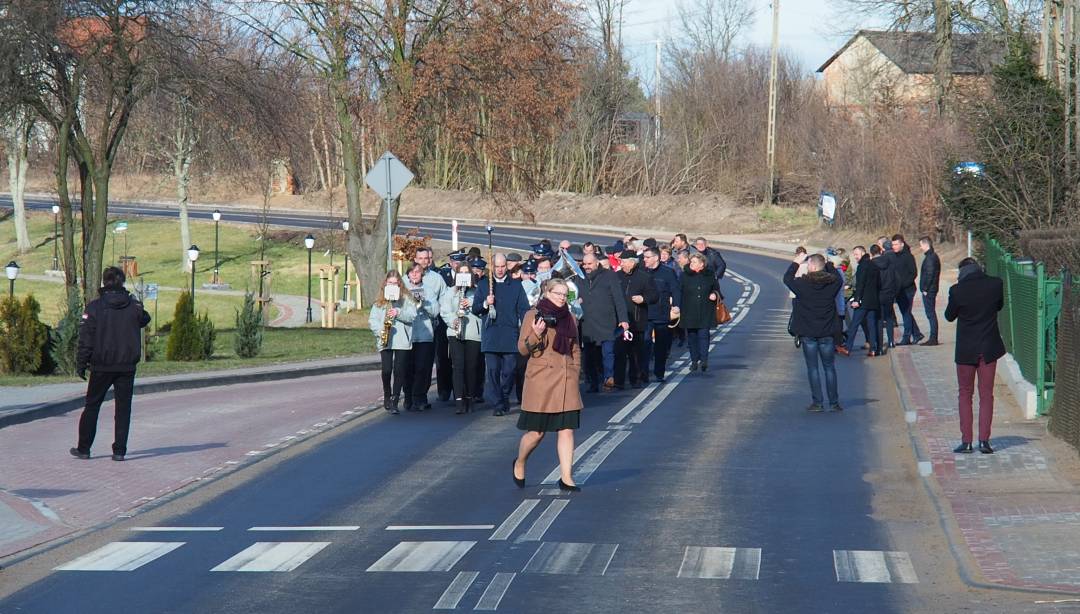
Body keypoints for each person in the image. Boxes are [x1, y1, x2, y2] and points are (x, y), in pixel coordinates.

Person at [70, 266, 151, 461]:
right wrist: (134, 303)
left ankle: (84, 448)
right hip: (126, 366)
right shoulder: (133, 306)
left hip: (101, 365)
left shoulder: (95, 307)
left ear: (104, 283)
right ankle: (119, 451)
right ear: (122, 282)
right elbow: (145, 318)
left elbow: (86, 339)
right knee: (123, 409)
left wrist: (81, 363)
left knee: (92, 406)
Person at [513, 278, 584, 492]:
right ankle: (520, 461)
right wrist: (536, 333)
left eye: (565, 295)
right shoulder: (533, 315)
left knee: (567, 430)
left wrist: (574, 369)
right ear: (547, 292)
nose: (562, 298)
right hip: (541, 382)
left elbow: (575, 349)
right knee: (536, 433)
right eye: (558, 294)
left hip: (565, 381)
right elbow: (523, 350)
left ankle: (566, 477)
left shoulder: (570, 317)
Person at [945, 257, 1006, 454]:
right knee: (986, 394)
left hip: (966, 349)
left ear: (962, 271)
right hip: (989, 347)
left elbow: (949, 315)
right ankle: (984, 441)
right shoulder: (995, 284)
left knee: (965, 393)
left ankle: (967, 441)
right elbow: (999, 306)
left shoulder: (957, 290)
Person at [472, 253, 531, 416]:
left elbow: (523, 309)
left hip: (510, 334)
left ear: (507, 266)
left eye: (502, 266)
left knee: (509, 371)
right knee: (492, 370)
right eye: (496, 266)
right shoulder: (484, 284)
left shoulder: (516, 285)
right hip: (491, 334)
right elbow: (475, 309)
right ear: (492, 266)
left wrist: (525, 329)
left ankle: (504, 396)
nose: (499, 269)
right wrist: (486, 303)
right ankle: (498, 403)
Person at [784, 253, 844, 412]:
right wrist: (829, 264)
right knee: (829, 367)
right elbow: (838, 278)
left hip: (808, 332)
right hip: (827, 331)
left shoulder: (802, 284)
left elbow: (787, 279)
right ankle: (834, 402)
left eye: (809, 264)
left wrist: (795, 262)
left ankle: (817, 402)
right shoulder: (832, 283)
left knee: (813, 368)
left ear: (812, 266)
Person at [577, 252, 629, 392]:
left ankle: (609, 378)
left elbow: (618, 298)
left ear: (596, 263)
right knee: (590, 355)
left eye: (590, 264)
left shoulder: (609, 275)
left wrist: (623, 319)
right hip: (587, 322)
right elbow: (572, 296)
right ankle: (593, 382)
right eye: (585, 264)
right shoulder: (578, 277)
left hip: (607, 320)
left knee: (608, 352)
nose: (587, 267)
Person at [369, 271, 418, 415]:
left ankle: (395, 399)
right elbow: (373, 320)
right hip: (386, 339)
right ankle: (387, 394)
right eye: (390, 283)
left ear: (399, 284)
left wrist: (399, 312)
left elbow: (412, 316)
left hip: (402, 339)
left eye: (395, 283)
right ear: (385, 284)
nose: (392, 285)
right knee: (386, 370)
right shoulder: (380, 301)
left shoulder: (407, 298)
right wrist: (380, 331)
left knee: (399, 370)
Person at [441, 262, 483, 414]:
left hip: (472, 332)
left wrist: (470, 304)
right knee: (457, 366)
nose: (464, 275)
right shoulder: (450, 292)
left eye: (467, 272)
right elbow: (444, 310)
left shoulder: (477, 291)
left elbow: (481, 309)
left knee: (471, 367)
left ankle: (470, 397)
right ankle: (459, 399)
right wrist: (453, 320)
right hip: (455, 332)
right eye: (461, 272)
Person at [614, 249, 658, 389]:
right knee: (619, 352)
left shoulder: (644, 277)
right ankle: (619, 381)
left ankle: (636, 379)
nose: (621, 264)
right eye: (621, 262)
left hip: (637, 321)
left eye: (624, 262)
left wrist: (643, 299)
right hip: (620, 321)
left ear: (632, 262)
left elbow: (654, 296)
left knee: (636, 353)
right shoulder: (616, 276)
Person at [415, 248, 453, 404]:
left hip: (435, 325)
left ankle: (438, 391)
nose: (425, 261)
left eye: (427, 258)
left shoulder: (437, 278)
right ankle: (410, 395)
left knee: (435, 359)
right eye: (421, 258)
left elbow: (444, 300)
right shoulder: (407, 278)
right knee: (411, 363)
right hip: (412, 327)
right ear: (415, 259)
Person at [403, 263, 438, 412]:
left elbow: (436, 311)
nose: (415, 275)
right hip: (408, 335)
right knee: (407, 368)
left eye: (418, 272)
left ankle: (420, 397)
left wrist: (424, 304)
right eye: (412, 272)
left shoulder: (428, 290)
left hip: (424, 336)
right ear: (408, 274)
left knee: (423, 368)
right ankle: (408, 397)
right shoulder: (402, 291)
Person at [642, 247, 680, 383]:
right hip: (644, 313)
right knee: (644, 344)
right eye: (644, 257)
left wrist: (676, 305)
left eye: (647, 257)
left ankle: (659, 373)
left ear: (656, 258)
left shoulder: (668, 272)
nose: (644, 259)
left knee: (661, 346)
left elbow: (675, 290)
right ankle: (643, 373)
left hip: (661, 313)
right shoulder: (641, 271)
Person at [678, 252, 720, 372]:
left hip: (705, 310)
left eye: (695, 262)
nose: (692, 264)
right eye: (691, 262)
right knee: (692, 337)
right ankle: (694, 361)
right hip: (689, 310)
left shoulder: (709, 275)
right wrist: (676, 306)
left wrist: (714, 294)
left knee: (704, 335)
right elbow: (679, 291)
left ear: (702, 264)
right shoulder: (684, 275)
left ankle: (704, 360)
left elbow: (716, 288)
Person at [844, 246, 880, 356]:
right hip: (873, 300)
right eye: (854, 254)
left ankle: (848, 347)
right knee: (871, 325)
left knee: (854, 324)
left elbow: (860, 284)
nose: (855, 257)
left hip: (863, 301)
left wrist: (857, 300)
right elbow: (878, 283)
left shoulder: (862, 266)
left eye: (856, 254)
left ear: (863, 253)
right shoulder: (873, 265)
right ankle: (873, 349)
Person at [891, 234, 925, 345]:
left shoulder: (908, 256)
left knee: (906, 313)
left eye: (896, 244)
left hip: (908, 289)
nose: (894, 246)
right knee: (906, 312)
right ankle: (917, 334)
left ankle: (906, 337)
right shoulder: (893, 256)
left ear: (902, 244)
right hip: (898, 290)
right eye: (893, 245)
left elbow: (913, 273)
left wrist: (904, 284)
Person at [871, 243, 898, 353]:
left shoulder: (871, 265)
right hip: (889, 294)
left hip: (877, 295)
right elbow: (896, 279)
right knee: (889, 318)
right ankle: (891, 341)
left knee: (879, 320)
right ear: (881, 252)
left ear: (871, 254)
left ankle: (880, 346)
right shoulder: (889, 263)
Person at [919, 236, 941, 346]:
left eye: (921, 245)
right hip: (931, 289)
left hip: (929, 290)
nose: (920, 247)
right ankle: (933, 337)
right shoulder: (931, 256)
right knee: (930, 313)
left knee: (930, 313)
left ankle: (933, 338)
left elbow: (930, 274)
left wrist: (925, 288)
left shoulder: (930, 258)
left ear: (926, 244)